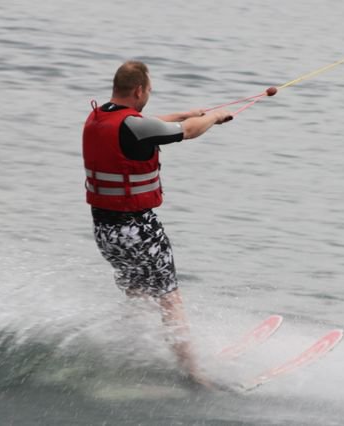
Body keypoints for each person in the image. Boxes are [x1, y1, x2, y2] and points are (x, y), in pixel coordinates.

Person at [82, 60, 231, 388]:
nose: (149, 94)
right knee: (169, 298)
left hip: (106, 232)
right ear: (139, 90)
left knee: (137, 292)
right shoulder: (135, 127)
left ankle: (131, 356)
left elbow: (142, 125)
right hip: (138, 230)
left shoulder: (98, 117)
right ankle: (193, 375)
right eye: (149, 89)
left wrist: (182, 113)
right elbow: (187, 132)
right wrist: (213, 117)